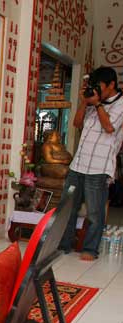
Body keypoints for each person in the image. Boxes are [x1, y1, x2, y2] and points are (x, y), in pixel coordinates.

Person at [59, 66, 123, 261]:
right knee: (67, 208)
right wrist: (84, 103)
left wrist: (97, 105)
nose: (96, 89)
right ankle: (63, 245)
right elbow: (77, 124)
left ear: (111, 85)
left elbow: (109, 127)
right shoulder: (93, 101)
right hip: (78, 165)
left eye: (99, 86)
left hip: (99, 168)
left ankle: (90, 249)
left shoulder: (120, 103)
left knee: (94, 212)